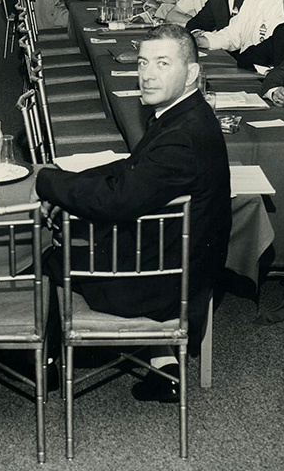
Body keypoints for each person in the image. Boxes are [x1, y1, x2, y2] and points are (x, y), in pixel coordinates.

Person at [34, 24, 231, 401]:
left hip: (165, 284)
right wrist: (64, 181)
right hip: (176, 259)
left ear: (191, 73)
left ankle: (48, 366)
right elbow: (132, 169)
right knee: (79, 233)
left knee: (51, 257)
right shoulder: (186, 114)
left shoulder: (182, 137)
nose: (147, 74)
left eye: (162, 63)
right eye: (142, 63)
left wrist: (46, 183)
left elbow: (117, 199)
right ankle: (164, 365)